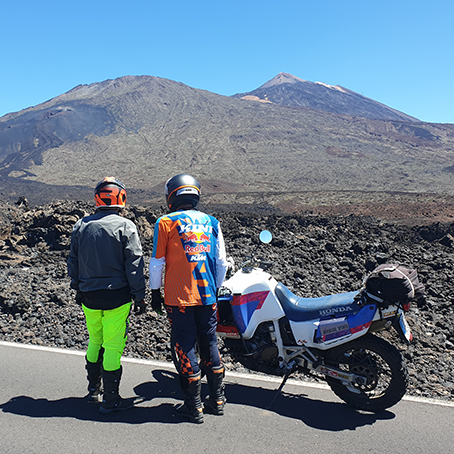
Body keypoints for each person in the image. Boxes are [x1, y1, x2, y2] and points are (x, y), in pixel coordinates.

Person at [149, 174, 229, 424]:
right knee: (209, 342)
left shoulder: (165, 223)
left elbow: (157, 263)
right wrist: (215, 289)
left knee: (184, 345)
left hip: (178, 298)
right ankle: (216, 399)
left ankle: (193, 405)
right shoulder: (212, 222)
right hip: (207, 296)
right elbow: (221, 262)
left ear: (171, 195)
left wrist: (154, 292)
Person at [67, 177, 146, 415]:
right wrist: (139, 296)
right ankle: (110, 400)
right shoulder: (126, 226)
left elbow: (73, 262)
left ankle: (93, 389)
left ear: (97, 198)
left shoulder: (81, 226)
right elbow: (135, 265)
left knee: (95, 339)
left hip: (89, 296)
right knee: (113, 345)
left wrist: (78, 287)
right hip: (117, 298)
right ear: (121, 198)